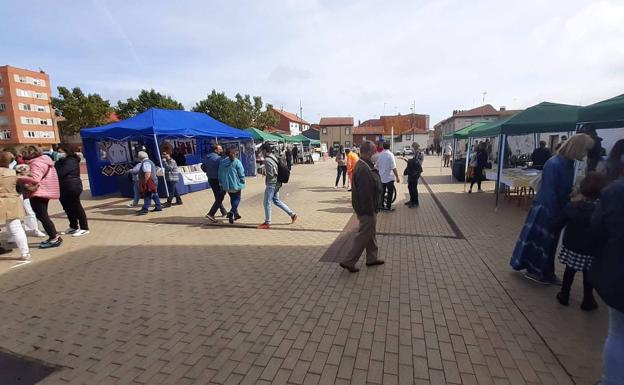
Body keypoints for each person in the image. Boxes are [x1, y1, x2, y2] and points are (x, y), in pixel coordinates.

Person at [510, 134, 595, 284]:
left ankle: (543, 272)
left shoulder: (567, 163)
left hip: (554, 208)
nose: (585, 154)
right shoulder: (555, 163)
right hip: (547, 209)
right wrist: (557, 215)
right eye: (585, 150)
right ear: (577, 148)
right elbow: (550, 192)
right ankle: (537, 272)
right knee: (542, 242)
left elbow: (559, 189)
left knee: (547, 243)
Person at [589, 166, 624, 385]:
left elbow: (596, 227)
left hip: (618, 272)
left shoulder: (616, 191)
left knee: (618, 333)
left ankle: (612, 381)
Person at [554, 172, 607, 310]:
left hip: (573, 246)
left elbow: (558, 223)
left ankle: (564, 295)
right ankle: (588, 299)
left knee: (569, 271)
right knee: (588, 275)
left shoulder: (572, 207)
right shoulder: (602, 212)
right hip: (591, 250)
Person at [339, 141, 384, 273]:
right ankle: (349, 261)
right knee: (364, 234)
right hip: (367, 208)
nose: (375, 153)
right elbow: (365, 193)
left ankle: (371, 258)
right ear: (368, 152)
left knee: (370, 233)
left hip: (368, 207)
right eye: (374, 151)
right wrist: (370, 210)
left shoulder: (365, 164)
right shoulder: (363, 168)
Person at [18, 146, 62, 248]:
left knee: (43, 216)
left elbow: (35, 178)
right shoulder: (43, 161)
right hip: (44, 191)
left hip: (40, 192)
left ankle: (54, 237)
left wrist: (19, 177)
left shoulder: (36, 163)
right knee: (42, 215)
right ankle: (53, 236)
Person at [258, 143, 297, 229]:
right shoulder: (274, 156)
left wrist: (262, 172)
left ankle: (267, 222)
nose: (261, 153)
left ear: (265, 150)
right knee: (276, 201)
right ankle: (292, 214)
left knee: (266, 202)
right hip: (278, 182)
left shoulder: (267, 160)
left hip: (272, 184)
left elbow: (271, 174)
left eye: (261, 151)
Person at [0, 152, 30, 260]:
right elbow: (26, 170)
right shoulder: (14, 173)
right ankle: (25, 253)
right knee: (16, 227)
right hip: (11, 200)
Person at [55, 145, 89, 237]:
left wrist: (57, 168)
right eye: (58, 152)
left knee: (76, 207)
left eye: (61, 152)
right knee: (67, 208)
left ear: (67, 151)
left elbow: (60, 173)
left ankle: (84, 228)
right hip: (62, 187)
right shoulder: (60, 162)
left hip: (72, 187)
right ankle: (73, 226)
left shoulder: (72, 161)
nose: (59, 154)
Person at [218, 146, 246, 224]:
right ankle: (232, 212)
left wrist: (221, 182)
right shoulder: (237, 162)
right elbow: (241, 173)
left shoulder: (222, 162)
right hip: (236, 184)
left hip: (226, 185)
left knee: (232, 199)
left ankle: (235, 214)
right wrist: (243, 180)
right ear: (234, 153)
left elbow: (219, 174)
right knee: (237, 199)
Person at [203, 144, 227, 222]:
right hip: (218, 180)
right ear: (216, 150)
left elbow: (203, 167)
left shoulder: (206, 157)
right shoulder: (219, 159)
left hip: (210, 179)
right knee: (220, 197)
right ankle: (211, 213)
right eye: (220, 149)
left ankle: (223, 211)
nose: (222, 150)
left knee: (218, 196)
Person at [375, 142, 400, 211]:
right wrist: (397, 177)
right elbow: (393, 167)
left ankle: (381, 206)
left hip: (381, 177)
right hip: (389, 177)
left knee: (382, 192)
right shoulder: (390, 155)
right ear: (390, 147)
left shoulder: (380, 155)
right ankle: (388, 206)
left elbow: (376, 166)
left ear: (383, 147)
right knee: (390, 192)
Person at [136, 151, 162, 215]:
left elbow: (147, 173)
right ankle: (158, 206)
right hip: (152, 180)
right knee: (154, 193)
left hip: (149, 181)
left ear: (140, 157)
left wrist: (145, 182)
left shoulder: (146, 163)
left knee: (147, 194)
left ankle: (145, 209)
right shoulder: (149, 161)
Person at [403, 142, 423, 208]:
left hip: (415, 172)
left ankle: (415, 202)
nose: (412, 148)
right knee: (410, 186)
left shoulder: (419, 152)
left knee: (413, 188)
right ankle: (411, 200)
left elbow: (416, 162)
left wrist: (407, 160)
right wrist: (407, 160)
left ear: (416, 146)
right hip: (412, 171)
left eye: (413, 147)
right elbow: (413, 161)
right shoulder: (416, 152)